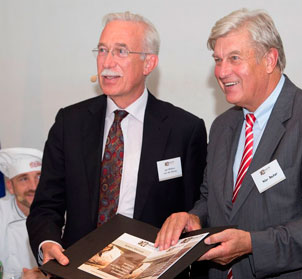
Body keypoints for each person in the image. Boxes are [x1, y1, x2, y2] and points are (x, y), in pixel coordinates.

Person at [155, 8, 302, 278]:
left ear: (269, 60)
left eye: (234, 58)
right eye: (218, 59)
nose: (222, 71)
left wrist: (253, 244)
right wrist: (193, 217)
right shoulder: (222, 126)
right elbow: (211, 199)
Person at [26, 11, 207, 273]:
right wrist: (48, 242)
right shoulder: (70, 123)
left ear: (148, 63)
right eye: (102, 50)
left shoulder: (184, 129)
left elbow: (196, 216)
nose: (107, 62)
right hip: (75, 269)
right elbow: (46, 205)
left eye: (121, 51)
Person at [0, 148, 44, 279]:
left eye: (39, 176)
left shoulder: (67, 214)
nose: (34, 186)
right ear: (10, 187)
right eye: (24, 179)